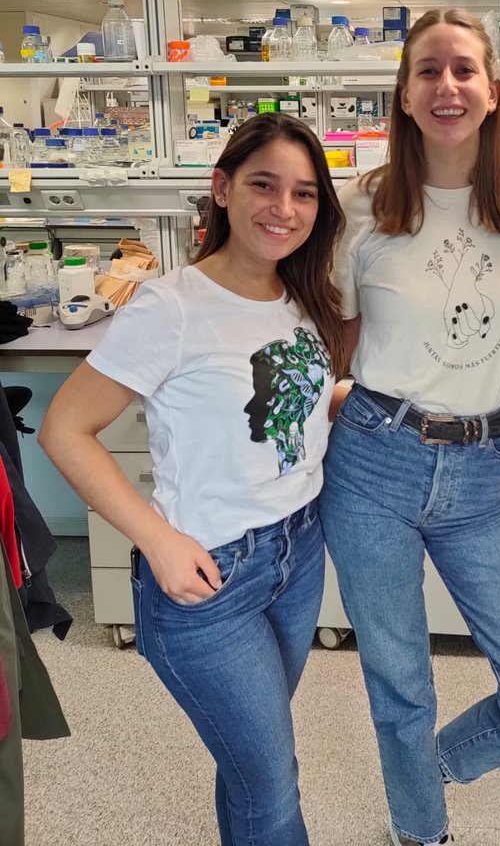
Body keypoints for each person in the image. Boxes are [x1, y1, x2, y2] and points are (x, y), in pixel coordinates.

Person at [39, 113, 347, 846]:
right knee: (271, 784)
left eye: (304, 194)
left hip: (296, 556)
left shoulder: (298, 295)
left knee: (250, 766)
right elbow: (64, 429)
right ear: (221, 189)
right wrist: (159, 542)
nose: (284, 208)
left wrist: (357, 396)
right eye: (264, 185)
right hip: (209, 579)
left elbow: (296, 397)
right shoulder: (172, 305)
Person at [320, 8, 500, 846]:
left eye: (464, 70)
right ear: (403, 93)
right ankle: (420, 830)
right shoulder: (358, 206)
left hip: (482, 474)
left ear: (494, 91)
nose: (447, 87)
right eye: (428, 71)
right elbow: (335, 332)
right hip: (374, 462)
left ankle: (425, 766)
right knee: (398, 679)